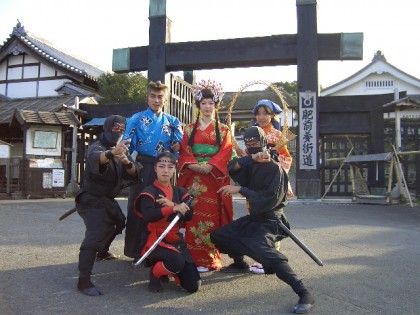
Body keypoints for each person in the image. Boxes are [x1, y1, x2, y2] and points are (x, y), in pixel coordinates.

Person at [210, 126, 315, 314]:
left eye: (255, 142)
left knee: (264, 252)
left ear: (264, 142)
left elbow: (268, 200)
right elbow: (230, 168)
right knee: (219, 235)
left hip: (271, 221)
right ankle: (239, 263)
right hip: (254, 218)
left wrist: (240, 190)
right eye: (248, 143)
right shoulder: (250, 164)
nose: (252, 146)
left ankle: (303, 292)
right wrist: (251, 157)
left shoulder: (276, 169)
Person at [75, 115, 138, 296]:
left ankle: (103, 252)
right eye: (114, 129)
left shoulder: (121, 149)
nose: (116, 133)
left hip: (106, 199)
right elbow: (97, 158)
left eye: (120, 130)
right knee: (96, 233)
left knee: (119, 221)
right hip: (90, 199)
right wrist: (112, 153)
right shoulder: (98, 146)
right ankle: (83, 280)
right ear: (106, 129)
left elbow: (134, 172)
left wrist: (126, 161)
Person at [122, 80, 183, 261]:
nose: (156, 100)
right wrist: (130, 163)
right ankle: (136, 251)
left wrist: (177, 147)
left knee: (164, 206)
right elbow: (125, 143)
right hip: (144, 166)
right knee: (139, 207)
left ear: (165, 99)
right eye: (153, 96)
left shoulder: (172, 121)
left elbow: (180, 147)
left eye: (160, 97)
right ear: (147, 97)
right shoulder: (136, 119)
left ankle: (163, 248)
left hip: (164, 167)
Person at [177, 79, 233, 272]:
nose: (207, 107)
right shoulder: (189, 129)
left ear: (216, 105)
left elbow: (226, 151)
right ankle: (194, 257)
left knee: (212, 215)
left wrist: (211, 165)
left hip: (213, 178)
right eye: (204, 103)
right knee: (193, 215)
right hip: (194, 177)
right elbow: (184, 151)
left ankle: (210, 258)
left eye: (211, 103)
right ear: (198, 106)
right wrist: (193, 165)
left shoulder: (224, 130)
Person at [134, 151, 201, 293]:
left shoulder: (180, 192)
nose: (165, 170)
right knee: (176, 261)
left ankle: (168, 268)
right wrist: (173, 209)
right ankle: (155, 274)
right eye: (161, 166)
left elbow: (189, 215)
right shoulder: (148, 191)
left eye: (170, 167)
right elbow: (148, 216)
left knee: (193, 286)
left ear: (174, 170)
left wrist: (172, 204)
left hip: (174, 239)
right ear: (155, 168)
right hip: (153, 240)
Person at [252, 99, 294, 196]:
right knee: (253, 208)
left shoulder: (278, 135)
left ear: (272, 115)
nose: (261, 117)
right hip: (254, 176)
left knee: (272, 208)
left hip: (272, 178)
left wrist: (271, 159)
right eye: (258, 114)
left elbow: (286, 157)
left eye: (265, 113)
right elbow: (247, 155)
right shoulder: (252, 133)